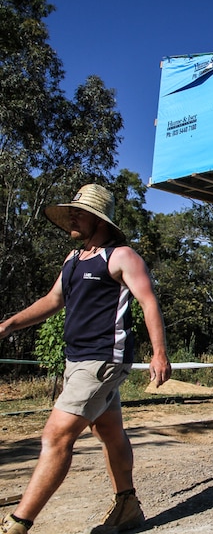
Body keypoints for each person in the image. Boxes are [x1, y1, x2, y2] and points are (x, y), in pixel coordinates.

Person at [0, 184, 172, 534]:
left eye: (78, 213)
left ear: (99, 219)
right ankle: (127, 506)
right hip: (76, 360)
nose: (72, 219)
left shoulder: (121, 256)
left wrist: (159, 354)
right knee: (108, 430)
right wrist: (8, 324)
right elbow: (52, 301)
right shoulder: (73, 260)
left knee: (56, 435)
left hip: (103, 360)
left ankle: (17, 524)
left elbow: (148, 302)